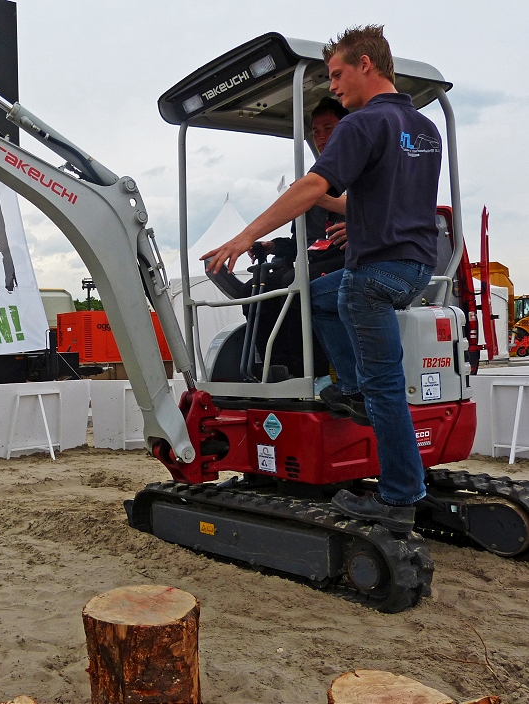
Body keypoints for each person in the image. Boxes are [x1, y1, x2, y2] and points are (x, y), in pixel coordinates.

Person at [202, 25, 442, 533]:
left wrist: (244, 238)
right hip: (414, 268)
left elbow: (314, 182)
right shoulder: (423, 129)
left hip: (373, 273)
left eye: (336, 74)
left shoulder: (361, 124)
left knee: (386, 387)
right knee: (316, 296)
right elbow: (374, 199)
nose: (333, 86)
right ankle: (350, 388)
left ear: (366, 66)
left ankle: (400, 499)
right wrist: (339, 208)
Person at [247, 97, 349, 377]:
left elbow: (389, 215)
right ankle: (274, 369)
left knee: (293, 283)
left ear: (348, 128)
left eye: (328, 128)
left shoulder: (364, 176)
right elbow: (299, 244)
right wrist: (270, 245)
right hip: (312, 262)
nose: (321, 137)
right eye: (316, 131)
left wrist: (363, 227)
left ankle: (314, 373)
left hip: (352, 261)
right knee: (258, 286)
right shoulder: (310, 187)